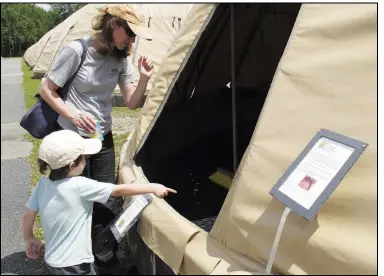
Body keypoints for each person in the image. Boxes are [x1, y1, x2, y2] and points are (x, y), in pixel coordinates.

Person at [39, 4, 154, 269]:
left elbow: (131, 102)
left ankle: (103, 255)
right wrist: (73, 114)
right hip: (70, 137)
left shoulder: (121, 58)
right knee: (70, 196)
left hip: (102, 137)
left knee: (104, 196)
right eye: (130, 32)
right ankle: (68, 252)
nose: (132, 40)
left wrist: (145, 79)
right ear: (113, 24)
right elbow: (47, 89)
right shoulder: (77, 51)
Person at [22, 130, 176, 275]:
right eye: (84, 157)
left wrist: (29, 238)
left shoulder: (42, 184)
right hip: (76, 263)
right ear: (71, 166)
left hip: (53, 260)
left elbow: (28, 214)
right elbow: (118, 190)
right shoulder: (79, 186)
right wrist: (152, 187)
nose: (87, 159)